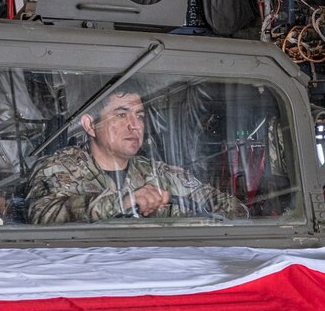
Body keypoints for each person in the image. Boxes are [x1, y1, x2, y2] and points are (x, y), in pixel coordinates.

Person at [23, 88, 245, 223]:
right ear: (90, 125)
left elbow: (231, 209)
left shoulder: (159, 173)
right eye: (121, 115)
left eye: (139, 116)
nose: (134, 125)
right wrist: (122, 202)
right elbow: (43, 216)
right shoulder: (57, 168)